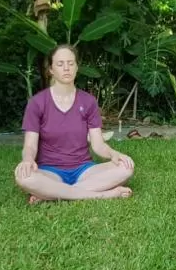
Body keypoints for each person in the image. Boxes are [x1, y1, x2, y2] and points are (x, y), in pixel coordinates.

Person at [14, 45, 134, 204]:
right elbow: (30, 146)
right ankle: (102, 194)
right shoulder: (37, 103)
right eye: (60, 64)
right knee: (23, 177)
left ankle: (50, 193)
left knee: (126, 168)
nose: (66, 68)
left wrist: (114, 154)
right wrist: (28, 160)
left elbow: (98, 145)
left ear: (77, 67)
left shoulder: (88, 101)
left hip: (84, 170)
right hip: (50, 171)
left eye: (71, 63)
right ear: (51, 69)